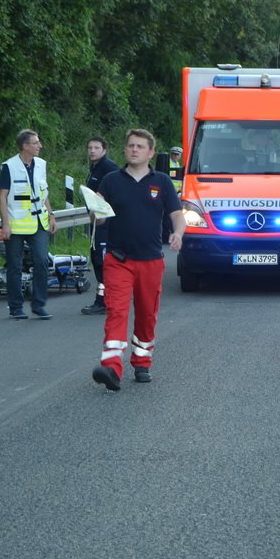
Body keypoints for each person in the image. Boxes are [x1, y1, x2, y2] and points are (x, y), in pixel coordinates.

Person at [92, 128, 183, 391]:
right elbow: (98, 214)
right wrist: (96, 215)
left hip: (151, 259)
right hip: (118, 259)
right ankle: (111, 368)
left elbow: (177, 214)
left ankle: (142, 361)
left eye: (140, 146)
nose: (134, 149)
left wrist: (178, 233)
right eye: (130, 145)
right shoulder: (110, 180)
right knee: (117, 311)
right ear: (125, 149)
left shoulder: (163, 181)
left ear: (151, 152)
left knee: (146, 314)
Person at [0, 129, 56, 319]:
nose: (40, 146)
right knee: (14, 265)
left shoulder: (41, 165)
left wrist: (52, 215)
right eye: (36, 143)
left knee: (41, 261)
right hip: (15, 225)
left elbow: (43, 192)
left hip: (39, 222)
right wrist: (5, 224)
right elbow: (2, 196)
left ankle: (39, 304)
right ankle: (16, 308)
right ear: (25, 146)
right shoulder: (9, 166)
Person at [81, 136, 120, 314]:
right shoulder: (95, 167)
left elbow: (117, 194)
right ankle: (104, 299)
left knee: (103, 262)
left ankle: (104, 301)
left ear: (104, 150)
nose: (92, 151)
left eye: (96, 148)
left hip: (107, 224)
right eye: (90, 147)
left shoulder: (109, 168)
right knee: (97, 260)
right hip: (97, 222)